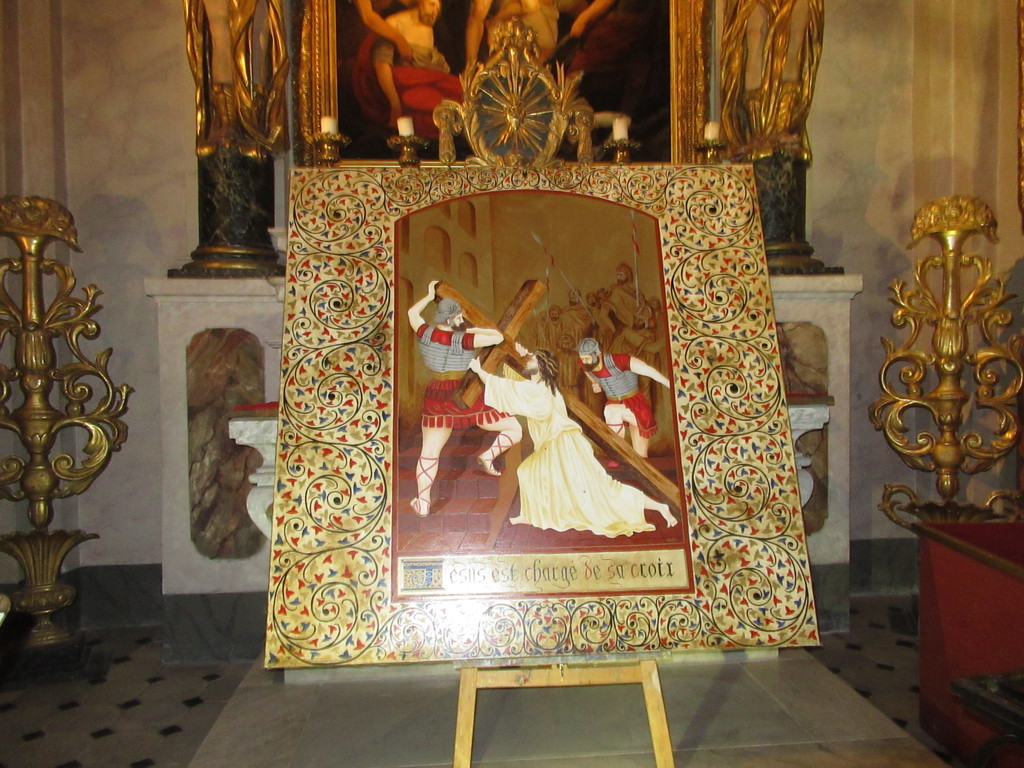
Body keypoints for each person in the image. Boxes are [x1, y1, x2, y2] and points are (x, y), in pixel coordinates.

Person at [469, 345, 676, 537]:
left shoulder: (539, 390)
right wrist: (524, 354)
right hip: (557, 444)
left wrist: (479, 371)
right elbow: (516, 385)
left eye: (532, 361)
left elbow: (507, 387)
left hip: (563, 445)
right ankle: (531, 516)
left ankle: (660, 506)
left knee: (601, 490)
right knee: (528, 472)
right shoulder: (541, 386)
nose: (528, 363)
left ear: (541, 366)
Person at [407, 281, 523, 517]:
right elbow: (496, 336)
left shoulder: (425, 332)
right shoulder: (466, 338)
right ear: (451, 319)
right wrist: (471, 331)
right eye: (458, 317)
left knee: (429, 451)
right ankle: (488, 455)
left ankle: (423, 501)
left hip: (437, 392)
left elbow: (411, 313)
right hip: (464, 390)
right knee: (515, 428)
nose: (462, 320)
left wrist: (428, 296)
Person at [576, 336, 669, 459]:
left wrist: (671, 386)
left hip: (636, 406)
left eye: (587, 358)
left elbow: (649, 371)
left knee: (641, 457)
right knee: (611, 410)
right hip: (614, 404)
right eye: (582, 358)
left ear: (597, 354)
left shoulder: (618, 361)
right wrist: (595, 383)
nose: (584, 361)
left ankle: (621, 456)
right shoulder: (585, 364)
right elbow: (587, 371)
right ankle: (618, 455)